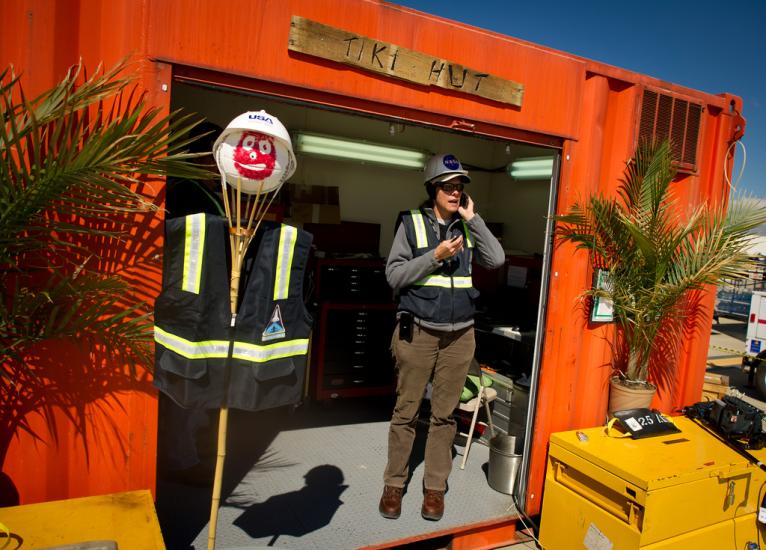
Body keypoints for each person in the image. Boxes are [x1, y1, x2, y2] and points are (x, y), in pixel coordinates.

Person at [379, 153, 505, 521]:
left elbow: (496, 259)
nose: (455, 192)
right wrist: (434, 256)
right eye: (448, 187)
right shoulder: (412, 224)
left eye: (460, 187)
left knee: (445, 415)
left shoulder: (467, 226)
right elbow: (395, 276)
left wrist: (474, 219)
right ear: (433, 189)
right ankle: (394, 484)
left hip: (460, 336)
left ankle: (434, 489)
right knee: (406, 412)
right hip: (418, 332)